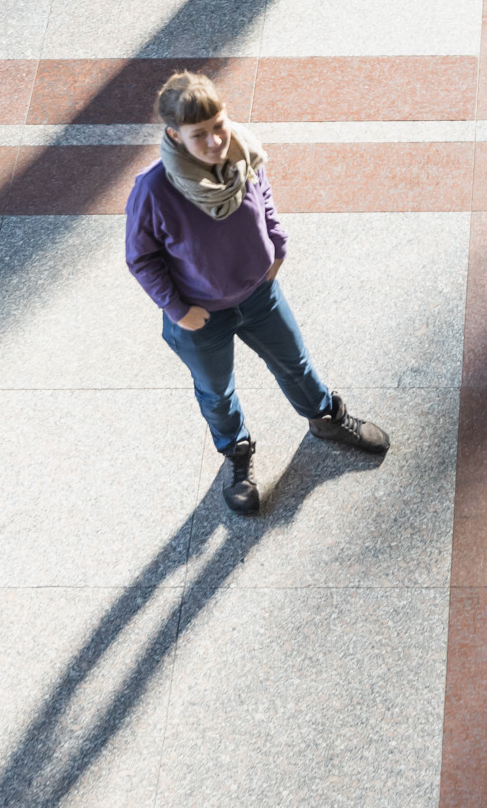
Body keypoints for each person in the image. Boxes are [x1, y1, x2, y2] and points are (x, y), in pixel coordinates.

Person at [125, 70, 390, 514]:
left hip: (259, 294)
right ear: (174, 135)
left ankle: (326, 420)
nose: (214, 142)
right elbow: (141, 258)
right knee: (217, 392)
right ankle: (237, 453)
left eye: (218, 126)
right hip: (200, 317)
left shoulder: (242, 150)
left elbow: (262, 192)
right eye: (199, 135)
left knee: (295, 363)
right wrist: (177, 310)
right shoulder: (154, 189)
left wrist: (277, 244)